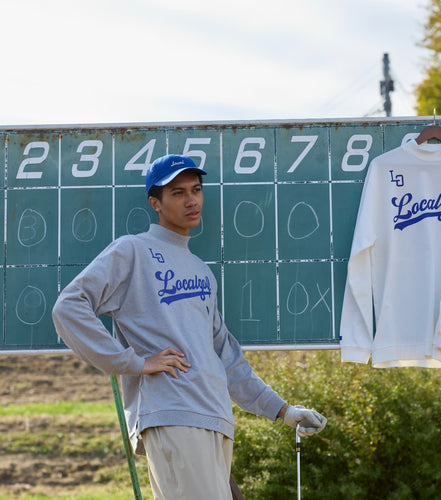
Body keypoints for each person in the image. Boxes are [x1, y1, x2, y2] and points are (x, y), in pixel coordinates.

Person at [52, 154, 327, 500]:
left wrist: (284, 411)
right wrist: (133, 362)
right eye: (178, 192)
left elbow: (226, 358)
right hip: (173, 414)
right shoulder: (132, 251)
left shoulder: (201, 270)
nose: (191, 199)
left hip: (215, 418)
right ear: (156, 203)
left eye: (196, 189)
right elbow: (69, 307)